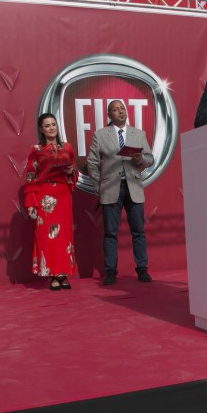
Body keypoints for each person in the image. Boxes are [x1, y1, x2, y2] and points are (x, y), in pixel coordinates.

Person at [87, 100, 155, 285]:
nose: (120, 112)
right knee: (110, 233)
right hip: (110, 189)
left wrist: (141, 158)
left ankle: (142, 269)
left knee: (138, 231)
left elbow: (150, 159)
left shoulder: (138, 134)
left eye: (122, 108)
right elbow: (92, 163)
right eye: (115, 110)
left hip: (133, 187)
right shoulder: (100, 135)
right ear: (109, 114)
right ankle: (110, 271)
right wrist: (99, 185)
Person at [23, 113, 78, 290]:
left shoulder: (67, 147)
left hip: (63, 195)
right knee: (48, 235)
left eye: (53, 124)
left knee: (64, 236)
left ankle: (63, 273)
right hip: (45, 195)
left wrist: (71, 171)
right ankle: (52, 274)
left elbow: (74, 172)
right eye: (47, 126)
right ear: (41, 129)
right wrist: (31, 203)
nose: (51, 128)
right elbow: (30, 176)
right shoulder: (36, 149)